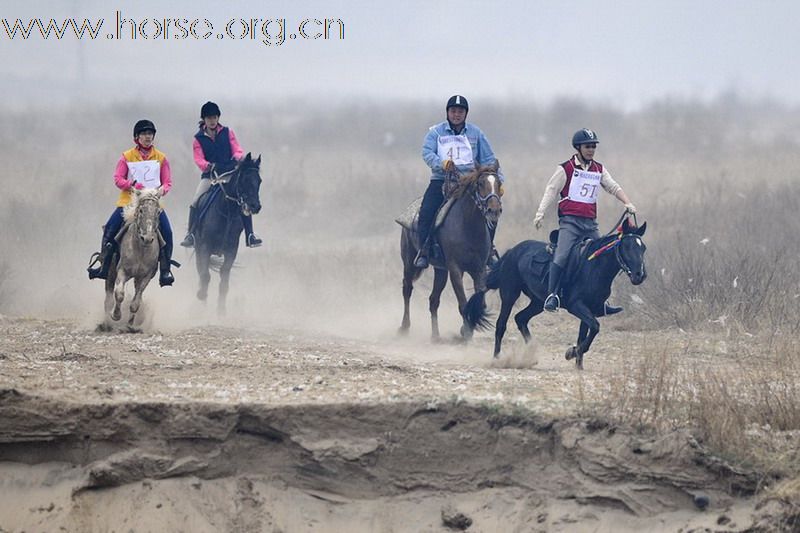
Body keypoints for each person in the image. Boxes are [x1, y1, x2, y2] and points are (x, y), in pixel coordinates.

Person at [533, 128, 636, 312]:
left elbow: (612, 187)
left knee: (602, 256)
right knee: (562, 254)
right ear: (578, 148)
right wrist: (540, 213)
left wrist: (627, 202)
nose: (591, 150)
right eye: (588, 147)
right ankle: (552, 295)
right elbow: (551, 190)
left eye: (593, 147)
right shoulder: (566, 168)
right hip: (570, 223)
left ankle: (599, 301)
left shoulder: (599, 169)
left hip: (590, 224)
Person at [414, 94, 503, 269]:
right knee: (426, 211)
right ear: (447, 112)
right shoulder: (436, 133)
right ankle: (424, 250)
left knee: (492, 211)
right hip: (442, 180)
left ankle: (488, 250)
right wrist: (441, 163)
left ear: (466, 114)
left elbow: (489, 159)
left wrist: (498, 184)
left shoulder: (476, 133)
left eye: (460, 111)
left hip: (472, 182)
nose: (456, 114)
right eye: (453, 111)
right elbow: (427, 153)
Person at [87, 119, 176, 286]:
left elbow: (168, 182)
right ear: (137, 137)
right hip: (128, 202)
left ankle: (165, 270)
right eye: (144, 134)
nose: (147, 137)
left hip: (153, 202)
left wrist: (161, 190)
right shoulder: (127, 156)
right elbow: (118, 179)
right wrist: (132, 185)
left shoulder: (161, 158)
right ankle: (104, 265)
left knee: (168, 232)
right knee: (110, 228)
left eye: (150, 133)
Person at [180, 101, 262, 248]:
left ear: (218, 118)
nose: (212, 121)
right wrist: (208, 166)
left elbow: (237, 149)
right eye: (209, 118)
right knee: (196, 200)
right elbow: (199, 159)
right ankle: (191, 234)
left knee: (243, 198)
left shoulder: (228, 132)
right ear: (204, 120)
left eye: (214, 117)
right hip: (211, 176)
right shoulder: (198, 139)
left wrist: (238, 158)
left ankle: (250, 235)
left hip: (230, 173)